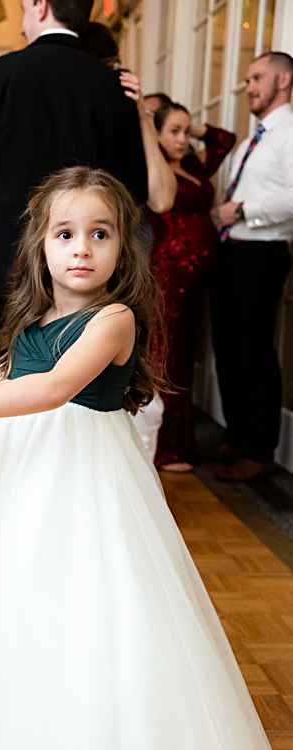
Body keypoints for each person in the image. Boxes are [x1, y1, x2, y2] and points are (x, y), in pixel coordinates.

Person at [0, 166, 285, 750]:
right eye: (65, 233)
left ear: (124, 248)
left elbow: (51, 389)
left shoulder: (114, 319)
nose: (82, 248)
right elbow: (11, 387)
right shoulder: (35, 313)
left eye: (100, 234)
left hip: (84, 477)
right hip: (13, 469)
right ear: (41, 243)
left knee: (82, 599)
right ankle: (3, 732)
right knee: (5, 587)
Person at [0, 0, 147, 383]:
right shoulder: (110, 84)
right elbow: (134, 189)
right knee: (74, 394)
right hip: (85, 272)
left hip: (7, 265)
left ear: (40, 5)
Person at [206, 51, 293, 482]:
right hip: (233, 255)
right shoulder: (250, 139)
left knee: (254, 353)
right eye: (246, 79)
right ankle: (238, 436)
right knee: (230, 349)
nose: (249, 87)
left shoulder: (289, 134)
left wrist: (241, 211)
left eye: (257, 78)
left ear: (284, 79)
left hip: (262, 255)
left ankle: (260, 450)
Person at [142, 95, 236, 471]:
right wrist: (153, 127)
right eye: (174, 132)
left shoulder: (195, 164)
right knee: (167, 355)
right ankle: (166, 447)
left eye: (186, 132)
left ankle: (180, 443)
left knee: (185, 353)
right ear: (157, 134)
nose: (183, 139)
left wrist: (185, 121)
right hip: (169, 271)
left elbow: (224, 140)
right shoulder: (155, 170)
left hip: (201, 276)